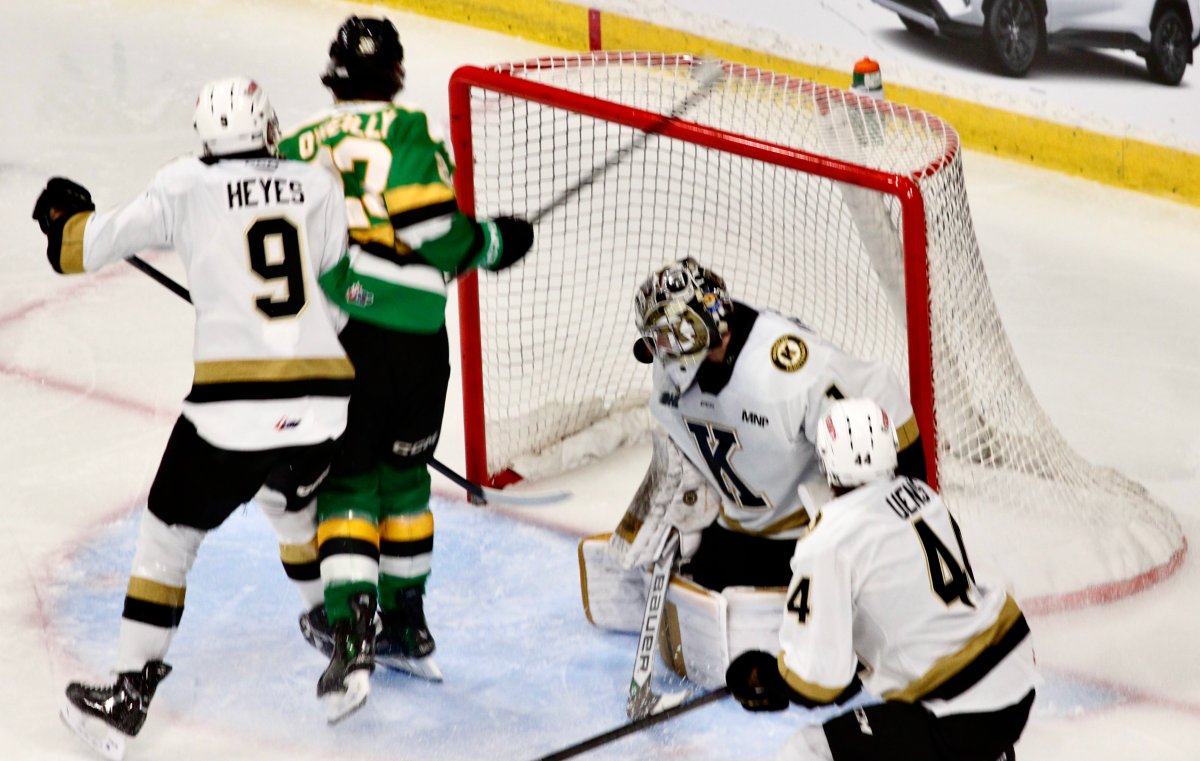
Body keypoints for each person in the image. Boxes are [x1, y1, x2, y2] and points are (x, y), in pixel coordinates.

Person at [37, 76, 354, 759]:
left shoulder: (185, 184)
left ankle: (127, 695)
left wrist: (65, 218)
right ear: (268, 128)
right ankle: (336, 627)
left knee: (166, 539)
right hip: (324, 400)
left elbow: (80, 251)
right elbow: (338, 295)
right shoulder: (319, 183)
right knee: (290, 501)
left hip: (232, 409)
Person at [275, 15, 534, 720]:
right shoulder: (410, 131)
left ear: (335, 72)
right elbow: (429, 230)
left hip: (340, 336)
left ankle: (353, 630)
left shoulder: (296, 144)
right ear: (395, 72)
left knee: (349, 484)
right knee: (406, 478)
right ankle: (408, 622)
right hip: (416, 339)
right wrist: (491, 242)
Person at [578, 257, 927, 686]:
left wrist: (900, 526)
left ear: (705, 327)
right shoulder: (671, 366)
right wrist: (660, 512)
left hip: (805, 532)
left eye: (668, 336)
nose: (657, 350)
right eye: (654, 339)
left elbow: (880, 409)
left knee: (789, 645)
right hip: (739, 523)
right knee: (708, 628)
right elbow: (681, 447)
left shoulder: (791, 369)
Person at [725, 397, 1038, 761]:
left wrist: (766, 678)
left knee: (806, 751)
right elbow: (918, 602)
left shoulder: (829, 539)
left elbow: (818, 680)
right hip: (1014, 680)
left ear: (825, 458)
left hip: (958, 710)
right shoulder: (921, 494)